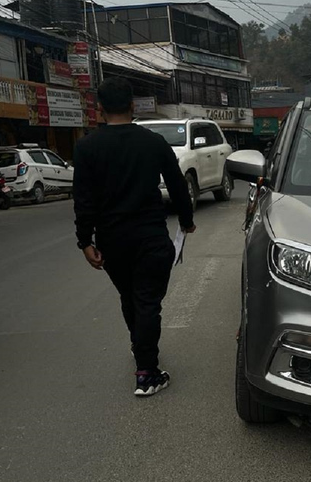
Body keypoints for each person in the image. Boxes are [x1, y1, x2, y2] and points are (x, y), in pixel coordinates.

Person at [73, 77, 195, 397]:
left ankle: (139, 348)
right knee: (147, 302)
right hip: (151, 238)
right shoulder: (153, 142)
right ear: (131, 106)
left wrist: (85, 241)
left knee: (131, 298)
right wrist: (187, 221)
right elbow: (178, 185)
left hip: (113, 241)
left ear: (100, 109)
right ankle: (147, 372)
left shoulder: (86, 147)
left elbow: (83, 199)